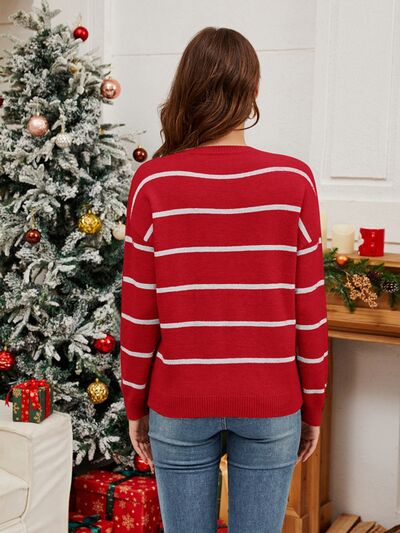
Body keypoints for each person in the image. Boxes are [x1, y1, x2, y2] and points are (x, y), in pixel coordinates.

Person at [120, 26, 329, 533]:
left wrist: (134, 404)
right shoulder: (294, 181)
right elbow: (310, 312)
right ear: (253, 90)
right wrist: (313, 407)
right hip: (271, 402)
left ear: (187, 88)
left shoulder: (153, 182)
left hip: (178, 401)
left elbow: (138, 313)